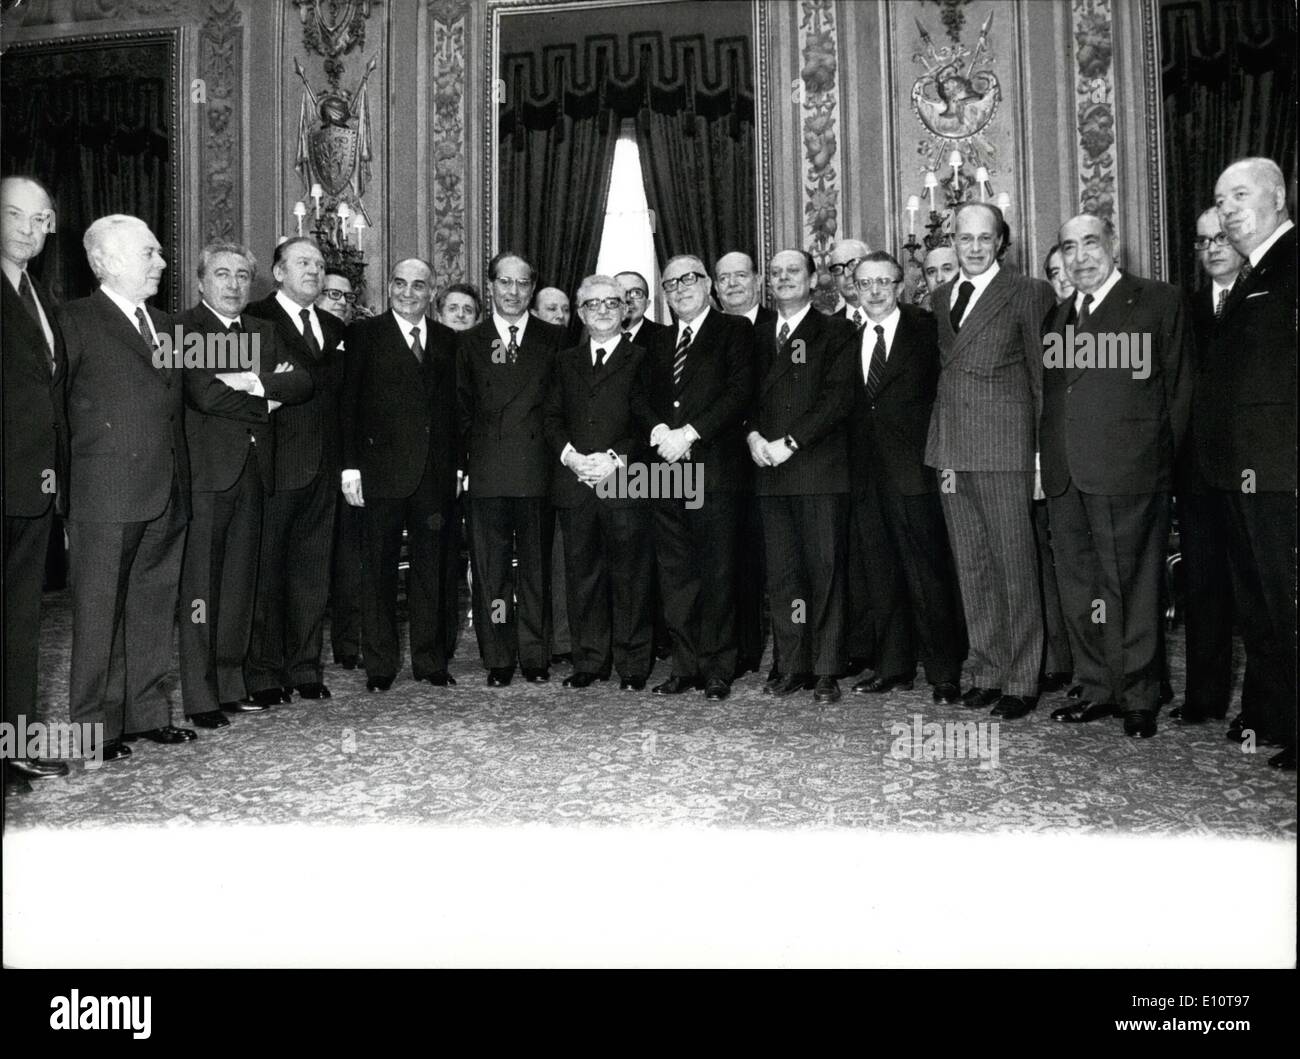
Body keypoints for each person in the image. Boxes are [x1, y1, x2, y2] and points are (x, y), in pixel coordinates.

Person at [1041, 214, 1191, 738]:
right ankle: (1096, 686)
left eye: (1090, 244)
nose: (1080, 257)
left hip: (1129, 471)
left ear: (1114, 246)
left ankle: (1139, 695)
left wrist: (1163, 468)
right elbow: (1059, 398)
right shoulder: (1059, 316)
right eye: (1069, 247)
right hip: (1067, 475)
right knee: (1080, 587)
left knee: (1132, 586)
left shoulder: (1156, 301)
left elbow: (1178, 392)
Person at [58, 215, 190, 761]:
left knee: (153, 608)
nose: (161, 263)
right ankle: (94, 729)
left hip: (165, 491)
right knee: (98, 614)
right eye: (150, 253)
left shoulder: (167, 326)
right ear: (107, 260)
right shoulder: (72, 321)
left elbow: (184, 403)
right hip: (103, 494)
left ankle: (147, 714)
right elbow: (55, 411)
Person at [926, 202, 1055, 719]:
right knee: (973, 567)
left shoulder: (1029, 293)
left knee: (1015, 567)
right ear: (952, 242)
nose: (974, 247)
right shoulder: (940, 298)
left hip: (1006, 449)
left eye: (985, 238)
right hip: (951, 450)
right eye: (964, 238)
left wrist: (1042, 457)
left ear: (1002, 242)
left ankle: (1022, 679)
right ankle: (985, 669)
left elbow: (1043, 379)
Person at [177, 243, 311, 730]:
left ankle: (232, 685)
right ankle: (199, 696)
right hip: (207, 477)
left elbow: (300, 384)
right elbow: (204, 393)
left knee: (239, 586)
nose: (232, 285)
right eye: (221, 274)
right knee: (201, 590)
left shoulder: (263, 330)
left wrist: (251, 382)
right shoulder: (184, 329)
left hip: (255, 473)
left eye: (240, 276)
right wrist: (263, 394)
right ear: (201, 281)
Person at [1193, 157, 1297, 770]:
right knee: (1260, 604)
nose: (1228, 209)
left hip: (1282, 468)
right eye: (1220, 199)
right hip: (1242, 472)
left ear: (1278, 196)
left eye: (1240, 195)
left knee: (1289, 602)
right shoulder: (1256, 270)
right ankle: (1276, 714)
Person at [846, 253, 966, 702]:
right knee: (880, 574)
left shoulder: (926, 328)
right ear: (855, 290)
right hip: (865, 476)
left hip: (917, 470)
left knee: (928, 574)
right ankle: (893, 666)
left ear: (900, 286)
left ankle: (943, 672)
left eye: (883, 282)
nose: (874, 291)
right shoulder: (847, 336)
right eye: (865, 283)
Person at [341, 258, 459, 692]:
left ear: (432, 292)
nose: (408, 292)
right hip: (380, 473)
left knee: (431, 571)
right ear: (388, 286)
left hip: (435, 475)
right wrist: (349, 466)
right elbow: (348, 405)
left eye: (419, 285)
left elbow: (455, 410)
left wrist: (459, 465)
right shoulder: (364, 336)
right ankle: (380, 666)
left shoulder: (448, 340)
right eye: (400, 283)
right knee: (378, 571)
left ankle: (430, 662)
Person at [643, 255, 755, 700]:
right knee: (675, 575)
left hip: (715, 469)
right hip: (665, 472)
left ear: (708, 284)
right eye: (671, 283)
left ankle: (717, 668)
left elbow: (738, 392)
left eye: (689, 279)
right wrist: (659, 433)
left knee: (717, 573)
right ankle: (683, 667)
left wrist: (689, 433)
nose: (680, 288)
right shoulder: (657, 340)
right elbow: (640, 396)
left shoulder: (734, 331)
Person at [748, 249, 856, 703]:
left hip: (816, 469)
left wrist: (789, 442)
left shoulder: (836, 330)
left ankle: (826, 668)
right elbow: (744, 394)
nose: (784, 278)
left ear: (814, 280)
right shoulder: (755, 336)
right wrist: (752, 435)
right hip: (769, 472)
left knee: (824, 573)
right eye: (776, 273)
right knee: (784, 576)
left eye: (794, 271)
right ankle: (791, 664)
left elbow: (837, 399)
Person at [244, 236, 346, 706]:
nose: (314, 271)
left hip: (324, 467)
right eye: (303, 262)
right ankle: (264, 674)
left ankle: (305, 667)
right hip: (276, 464)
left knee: (312, 573)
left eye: (320, 265)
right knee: (267, 573)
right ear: (279, 272)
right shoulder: (255, 319)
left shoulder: (333, 325)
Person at [457, 251, 566, 685]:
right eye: (505, 282)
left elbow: (560, 408)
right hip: (487, 474)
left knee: (537, 571)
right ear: (491, 286)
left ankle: (535, 655)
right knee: (493, 573)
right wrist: (467, 465)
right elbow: (461, 412)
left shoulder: (554, 339)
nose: (514, 292)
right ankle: (500, 657)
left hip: (538, 472)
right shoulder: (470, 342)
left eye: (523, 284)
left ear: (533, 289)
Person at [544, 275, 655, 689]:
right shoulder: (564, 361)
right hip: (576, 484)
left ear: (625, 309)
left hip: (625, 482)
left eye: (612, 303)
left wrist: (613, 460)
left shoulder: (643, 358)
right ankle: (589, 661)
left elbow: (649, 422)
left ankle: (632, 666)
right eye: (593, 305)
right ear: (581, 313)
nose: (603, 311)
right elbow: (551, 418)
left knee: (630, 578)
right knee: (582, 577)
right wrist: (571, 457)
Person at [2, 175, 69, 780]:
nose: (29, 230)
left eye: (40, 220)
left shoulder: (42, 295)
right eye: (15, 216)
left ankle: (13, 748)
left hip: (32, 488)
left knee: (22, 623)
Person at [1168, 208, 1242, 727]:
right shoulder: (1184, 308)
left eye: (1221, 237)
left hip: (1253, 469)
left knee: (1258, 594)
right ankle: (1203, 699)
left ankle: (1268, 708)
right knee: (1202, 588)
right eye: (1202, 242)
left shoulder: (1270, 294)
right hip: (1197, 472)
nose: (1213, 248)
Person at [713, 250, 771, 678]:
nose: (732, 284)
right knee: (734, 561)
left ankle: (780, 650)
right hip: (724, 465)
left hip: (772, 458)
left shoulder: (777, 326)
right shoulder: (708, 332)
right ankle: (744, 649)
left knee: (772, 562)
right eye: (723, 278)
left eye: (740, 276)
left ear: (757, 280)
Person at [1033, 244, 1075, 695]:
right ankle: (1061, 660)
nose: (1061, 279)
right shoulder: (1050, 323)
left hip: (1097, 466)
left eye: (1067, 270)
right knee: (1051, 566)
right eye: (1053, 272)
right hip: (1045, 462)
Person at [320, 268, 365, 670]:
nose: (339, 302)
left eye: (347, 297)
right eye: (331, 293)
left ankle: (347, 647)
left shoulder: (358, 339)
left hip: (351, 468)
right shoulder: (279, 329)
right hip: (303, 466)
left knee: (352, 562)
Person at [615, 271, 667, 346]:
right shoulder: (595, 336)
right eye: (620, 292)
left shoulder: (665, 338)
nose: (628, 299)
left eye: (636, 293)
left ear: (647, 303)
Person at [827, 238, 870, 328]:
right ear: (834, 279)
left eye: (854, 264)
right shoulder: (826, 329)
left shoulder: (901, 319)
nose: (847, 274)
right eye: (838, 269)